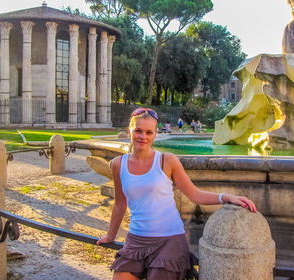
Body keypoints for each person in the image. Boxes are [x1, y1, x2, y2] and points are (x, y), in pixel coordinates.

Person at [97, 107, 257, 280]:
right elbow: (120, 204)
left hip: (169, 240)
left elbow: (194, 194)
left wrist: (225, 197)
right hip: (136, 240)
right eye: (138, 131)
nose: (143, 137)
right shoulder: (118, 164)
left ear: (155, 134)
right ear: (129, 131)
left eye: (149, 132)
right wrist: (110, 236)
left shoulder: (168, 160)